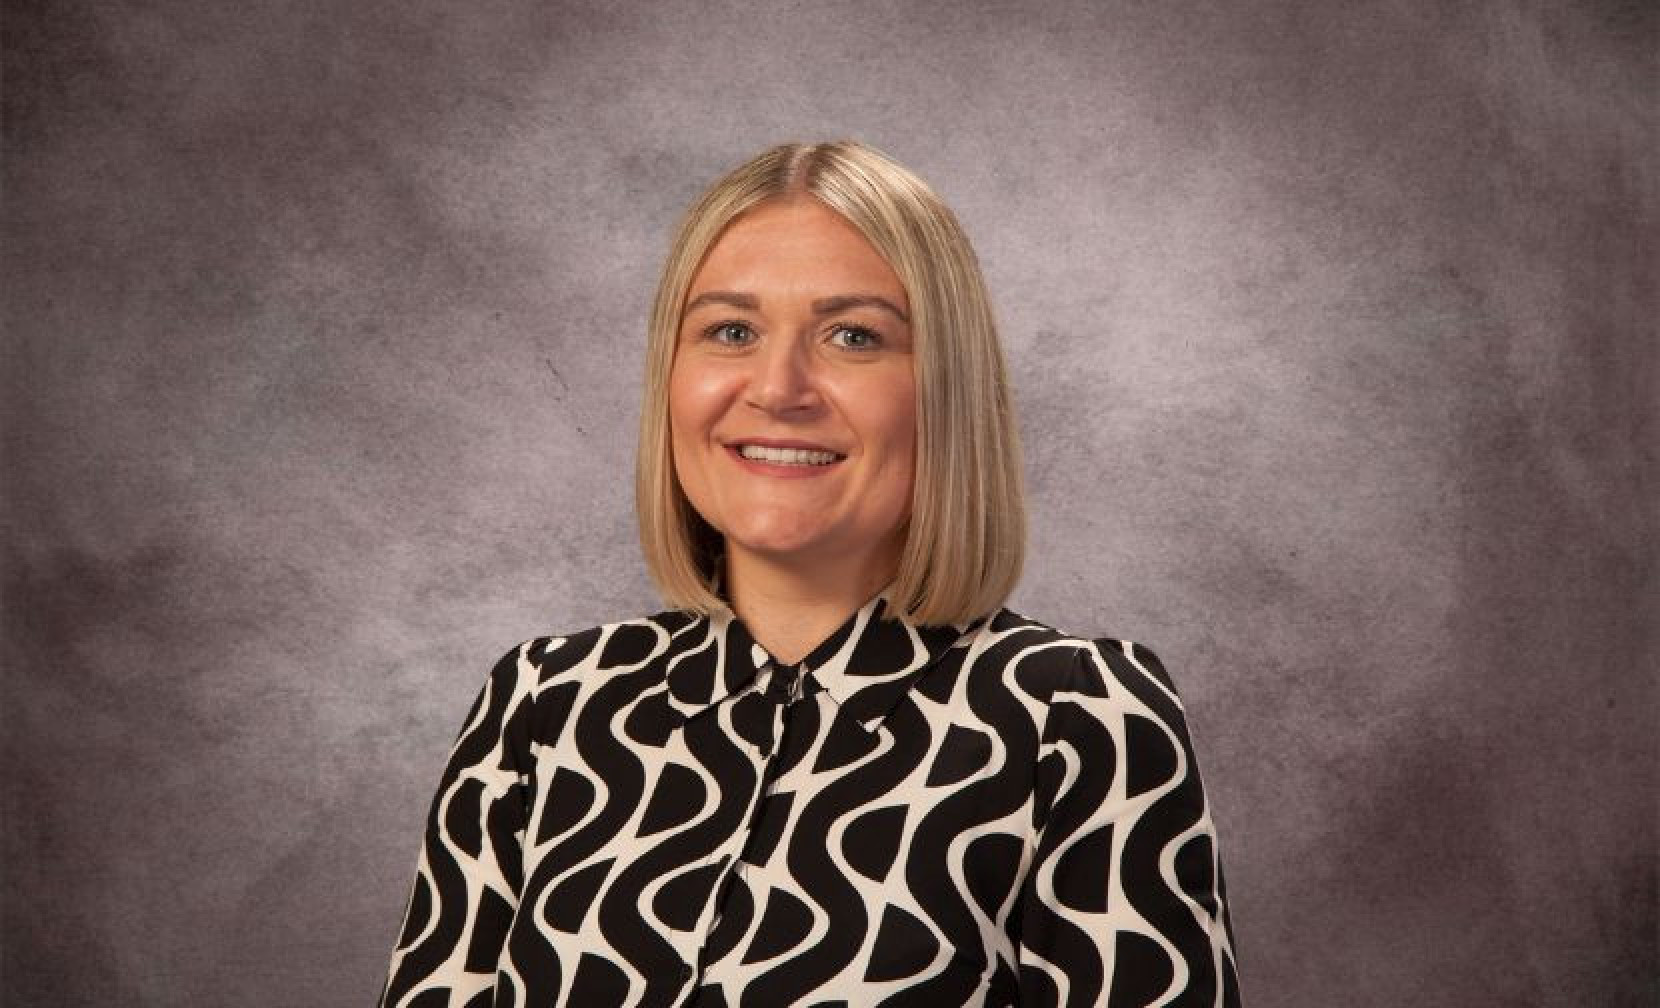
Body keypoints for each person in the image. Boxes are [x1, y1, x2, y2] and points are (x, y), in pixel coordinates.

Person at [377, 140, 1242, 1007]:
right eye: (731, 330)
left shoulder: (1075, 717)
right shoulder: (545, 703)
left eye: (853, 336)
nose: (778, 386)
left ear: (946, 388)